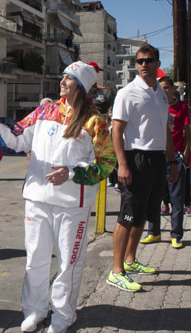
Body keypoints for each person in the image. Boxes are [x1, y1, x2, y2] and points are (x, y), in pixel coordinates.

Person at [0, 61, 116, 333]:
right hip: (38, 198)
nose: (62, 82)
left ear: (80, 85)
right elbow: (19, 137)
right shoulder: (45, 110)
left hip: (72, 205)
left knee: (69, 263)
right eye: (63, 77)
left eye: (68, 78)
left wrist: (72, 172)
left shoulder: (94, 121)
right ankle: (34, 310)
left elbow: (106, 163)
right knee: (36, 258)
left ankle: (64, 315)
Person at [107, 44, 178, 293]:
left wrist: (171, 162)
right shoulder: (128, 93)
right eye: (139, 61)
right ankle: (116, 272)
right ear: (135, 64)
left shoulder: (160, 93)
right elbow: (117, 130)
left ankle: (130, 259)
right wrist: (123, 165)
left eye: (149, 60)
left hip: (157, 159)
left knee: (144, 214)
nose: (144, 64)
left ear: (158, 63)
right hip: (135, 158)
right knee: (127, 216)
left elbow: (165, 131)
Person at [140, 76, 189, 249]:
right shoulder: (154, 105)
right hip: (156, 155)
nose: (164, 90)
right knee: (154, 197)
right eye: (161, 87)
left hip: (175, 156)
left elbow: (187, 132)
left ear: (173, 89)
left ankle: (176, 235)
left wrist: (183, 155)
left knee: (176, 199)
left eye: (167, 87)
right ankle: (154, 232)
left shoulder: (182, 107)